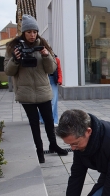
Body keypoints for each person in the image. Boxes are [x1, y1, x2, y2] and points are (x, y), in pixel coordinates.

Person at [4, 14, 68, 163]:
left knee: (49, 121)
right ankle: (39, 151)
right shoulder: (13, 48)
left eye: (34, 32)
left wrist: (46, 56)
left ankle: (53, 145)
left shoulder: (43, 45)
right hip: (25, 93)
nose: (32, 35)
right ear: (23, 33)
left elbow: (51, 68)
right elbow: (8, 71)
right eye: (29, 32)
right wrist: (15, 59)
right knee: (34, 124)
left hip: (43, 91)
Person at [39, 54, 62, 126]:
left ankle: (54, 120)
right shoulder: (40, 59)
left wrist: (60, 79)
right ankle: (41, 118)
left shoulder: (56, 59)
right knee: (43, 100)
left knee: (54, 100)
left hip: (53, 80)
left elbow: (59, 70)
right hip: (43, 80)